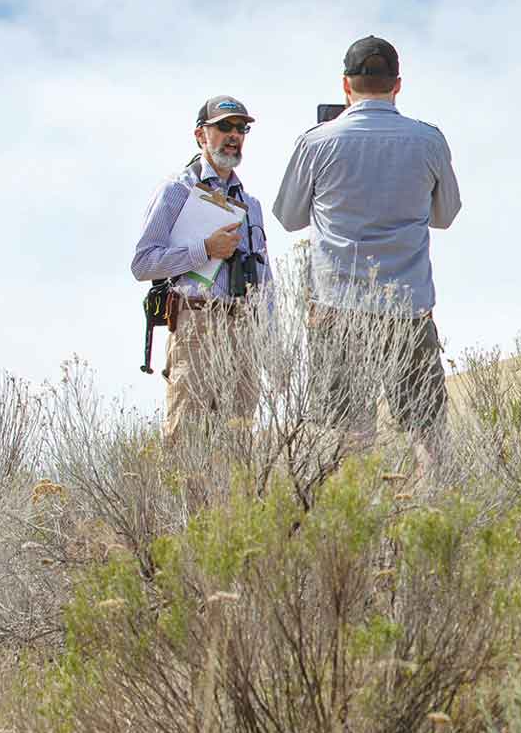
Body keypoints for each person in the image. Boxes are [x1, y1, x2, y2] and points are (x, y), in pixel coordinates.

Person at [273, 36, 461, 465]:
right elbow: (445, 215)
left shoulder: (316, 142)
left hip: (337, 307)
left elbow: (288, 217)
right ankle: (436, 518)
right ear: (397, 84)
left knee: (351, 431)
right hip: (408, 306)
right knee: (426, 430)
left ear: (346, 85)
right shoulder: (428, 140)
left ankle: (359, 525)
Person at [131, 95, 272, 444]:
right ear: (200, 135)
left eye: (241, 128)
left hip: (244, 328)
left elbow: (266, 279)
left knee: (238, 442)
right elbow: (144, 263)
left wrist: (271, 339)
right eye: (224, 127)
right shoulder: (176, 191)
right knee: (186, 439)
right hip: (196, 322)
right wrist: (205, 250)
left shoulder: (251, 204)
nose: (234, 135)